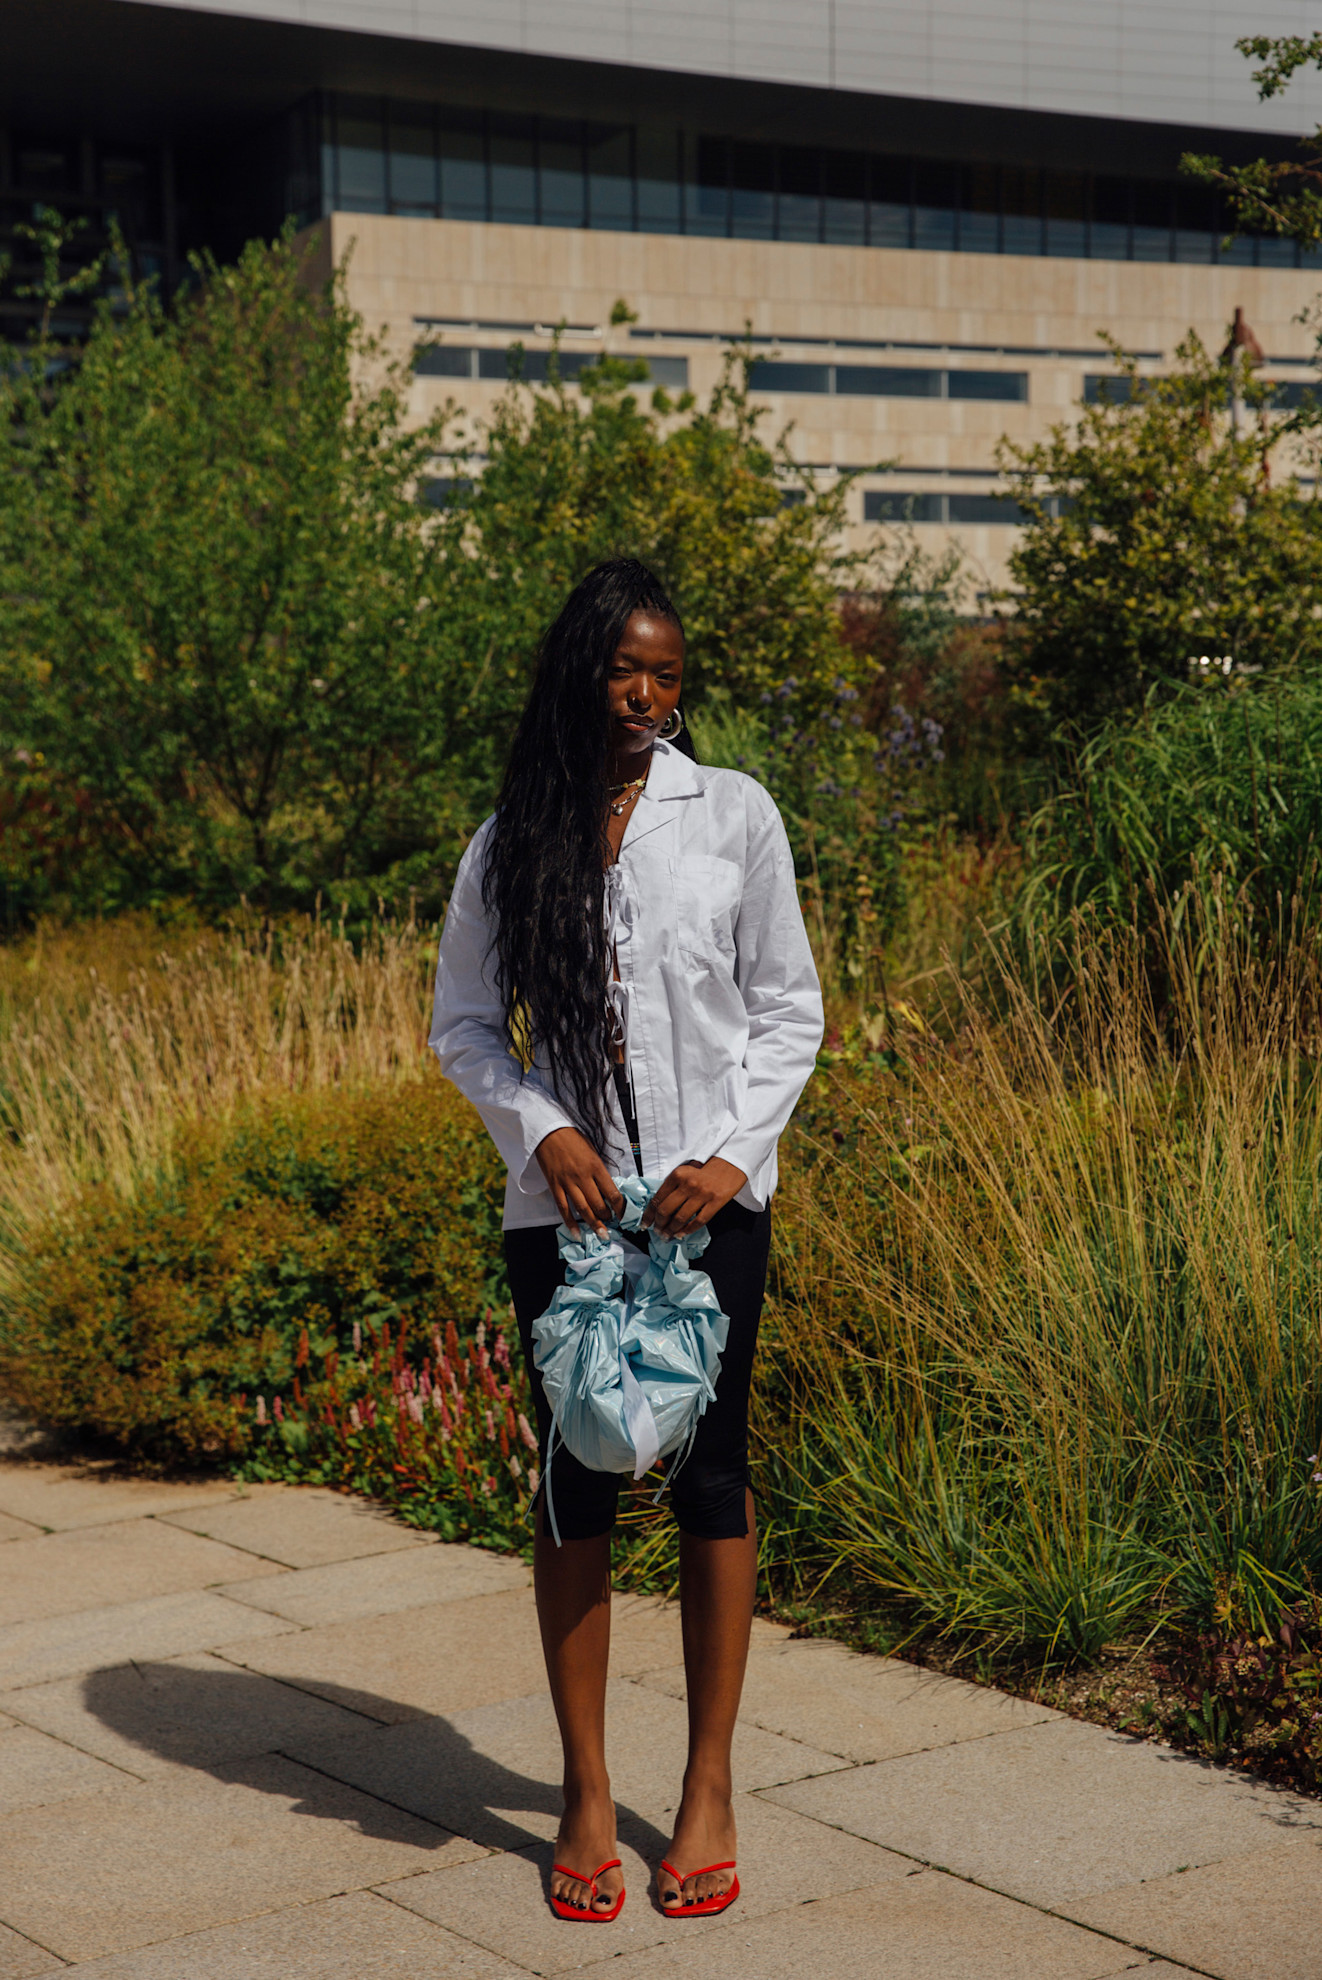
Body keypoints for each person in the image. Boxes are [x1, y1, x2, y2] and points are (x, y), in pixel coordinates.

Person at [430, 557, 823, 1920]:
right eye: (624, 671)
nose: (648, 696)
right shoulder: (507, 838)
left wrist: (731, 1156)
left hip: (706, 1208)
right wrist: (542, 1128)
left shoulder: (734, 819)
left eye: (668, 674)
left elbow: (789, 1010)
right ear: (576, 675)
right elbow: (465, 1028)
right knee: (576, 1480)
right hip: (569, 1216)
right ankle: (585, 1793)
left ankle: (707, 1785)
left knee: (712, 1476)